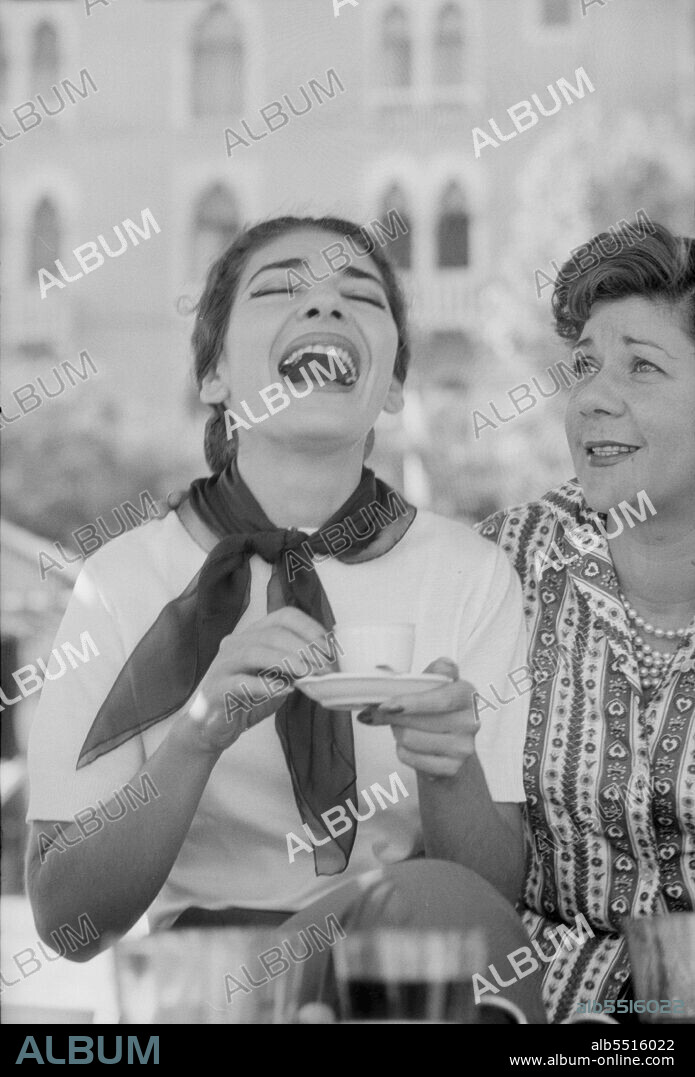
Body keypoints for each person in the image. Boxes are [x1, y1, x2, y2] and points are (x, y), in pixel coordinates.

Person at [25, 215, 529, 959]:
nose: (325, 306)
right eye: (279, 288)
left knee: (433, 904)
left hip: (396, 971)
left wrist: (448, 767)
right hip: (205, 985)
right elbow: (67, 922)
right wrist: (197, 732)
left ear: (391, 386)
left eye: (359, 293)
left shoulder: (470, 574)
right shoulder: (124, 581)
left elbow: (491, 911)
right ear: (214, 376)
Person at [477, 221, 695, 1023]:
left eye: (641, 365)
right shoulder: (509, 562)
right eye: (584, 367)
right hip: (524, 1007)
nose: (594, 397)